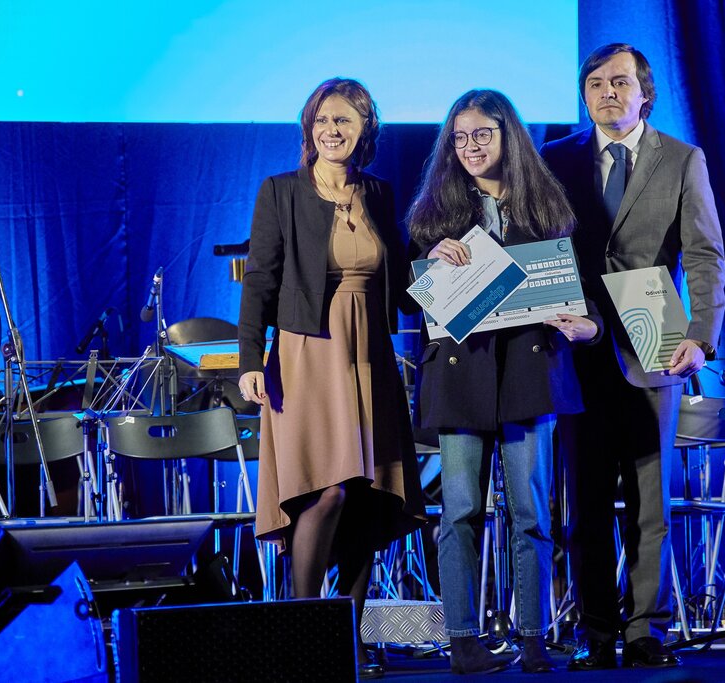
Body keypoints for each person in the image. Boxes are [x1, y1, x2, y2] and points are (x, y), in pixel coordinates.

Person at [540, 44, 725, 669]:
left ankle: (647, 630)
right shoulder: (555, 158)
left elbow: (704, 254)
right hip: (576, 345)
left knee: (650, 501)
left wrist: (701, 335)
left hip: (656, 337)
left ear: (645, 92)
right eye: (595, 83)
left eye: (619, 82)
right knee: (585, 501)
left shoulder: (683, 158)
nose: (607, 93)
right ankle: (595, 633)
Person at [408, 89, 602, 675]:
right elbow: (410, 300)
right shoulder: (433, 216)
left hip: (529, 374)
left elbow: (579, 288)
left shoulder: (546, 207)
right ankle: (463, 641)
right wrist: (432, 263)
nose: (470, 146)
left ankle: (534, 638)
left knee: (532, 515)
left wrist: (589, 325)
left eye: (482, 134)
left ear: (507, 136)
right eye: (460, 138)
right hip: (461, 377)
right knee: (460, 511)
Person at [237, 77, 426, 679]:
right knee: (326, 491)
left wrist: (442, 262)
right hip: (307, 354)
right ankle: (304, 630)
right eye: (321, 120)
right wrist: (249, 360)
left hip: (369, 355)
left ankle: (347, 639)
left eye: (343, 119)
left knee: (366, 497)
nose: (331, 130)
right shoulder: (281, 191)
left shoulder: (378, 193)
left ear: (366, 128)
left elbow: (403, 286)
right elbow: (260, 281)